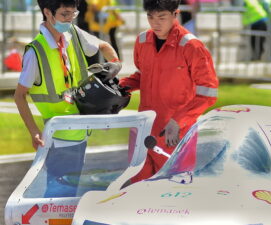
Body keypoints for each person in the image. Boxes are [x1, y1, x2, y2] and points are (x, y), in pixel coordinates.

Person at [14, 0, 121, 196]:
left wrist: (115, 63)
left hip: (80, 133)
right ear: (48, 12)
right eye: (65, 14)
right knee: (58, 198)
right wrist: (33, 131)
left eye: (74, 13)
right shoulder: (35, 52)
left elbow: (104, 45)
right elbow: (19, 96)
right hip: (58, 138)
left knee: (67, 196)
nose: (70, 19)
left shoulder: (73, 33)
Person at [119, 0, 219, 184]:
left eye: (161, 17)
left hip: (175, 133)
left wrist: (178, 121)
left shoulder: (192, 47)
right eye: (150, 17)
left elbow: (208, 92)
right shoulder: (142, 41)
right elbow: (143, 76)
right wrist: (117, 87)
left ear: (175, 14)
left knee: (173, 193)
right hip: (144, 129)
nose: (155, 23)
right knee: (136, 188)